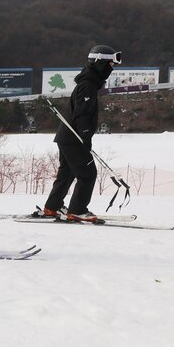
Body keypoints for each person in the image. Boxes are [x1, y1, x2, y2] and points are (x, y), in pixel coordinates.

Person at [35, 44, 121, 222]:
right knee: (88, 174)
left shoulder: (88, 83)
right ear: (100, 63)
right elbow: (82, 113)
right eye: (110, 65)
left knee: (67, 173)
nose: (111, 69)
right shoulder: (87, 85)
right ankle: (77, 210)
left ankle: (52, 207)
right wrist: (86, 135)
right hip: (74, 137)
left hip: (67, 137)